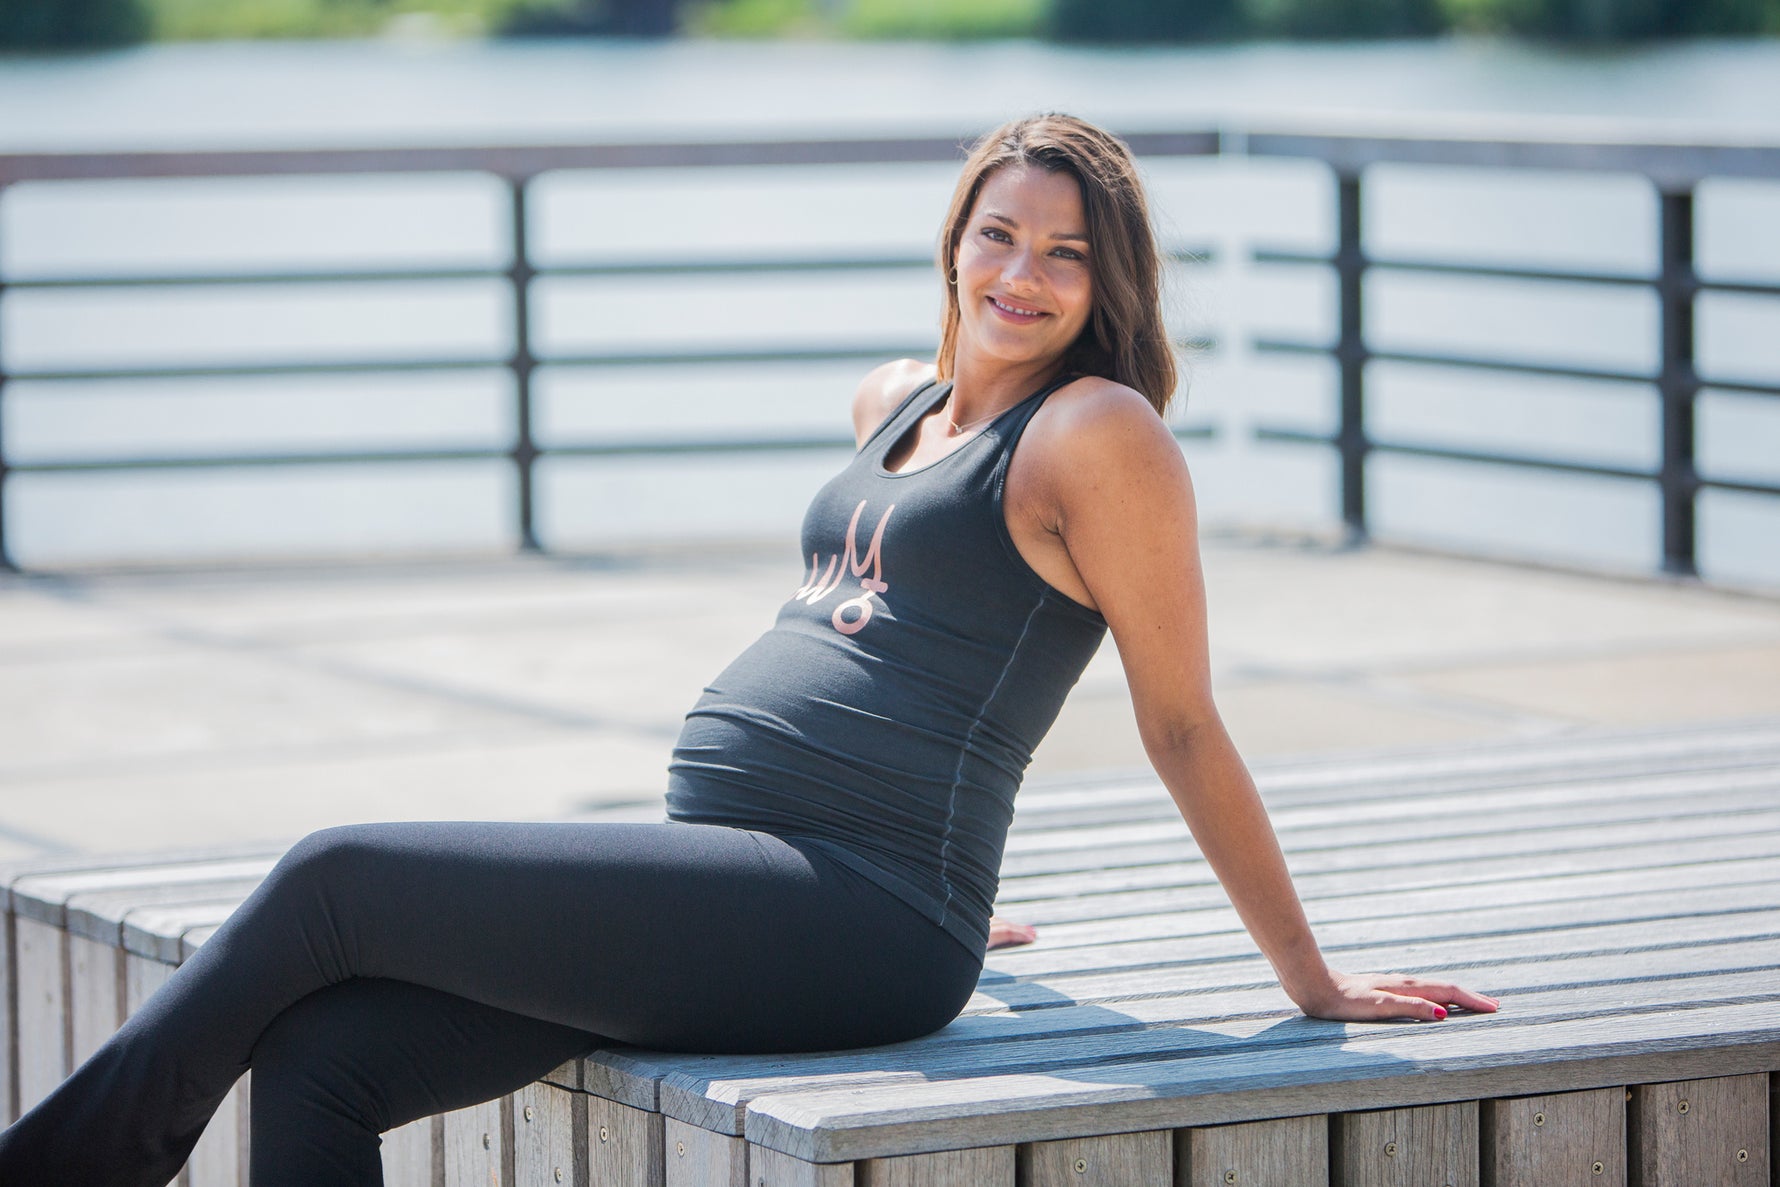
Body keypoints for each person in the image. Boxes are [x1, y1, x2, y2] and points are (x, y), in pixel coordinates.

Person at [0, 113, 1497, 1186]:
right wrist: (928, 879)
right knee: (323, 1060)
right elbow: (920, 643)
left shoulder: (1098, 434)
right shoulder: (896, 403)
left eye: (1067, 254)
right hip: (751, 887)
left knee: (336, 877)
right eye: (998, 235)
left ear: (1112, 286)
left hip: (858, 913)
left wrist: (1308, 978)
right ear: (954, 242)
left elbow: (1179, 721)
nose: (1023, 274)